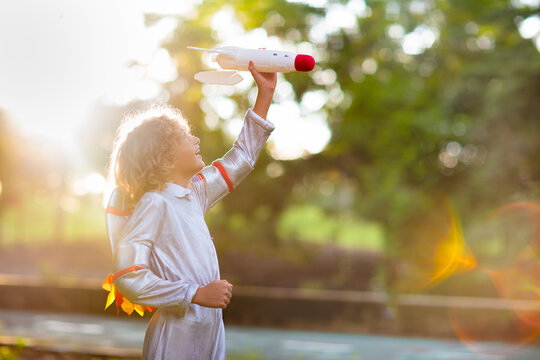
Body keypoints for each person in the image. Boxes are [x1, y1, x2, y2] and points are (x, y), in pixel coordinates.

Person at [105, 61, 276, 359]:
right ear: (164, 155)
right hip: (176, 335)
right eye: (186, 137)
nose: (196, 140)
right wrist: (194, 294)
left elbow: (242, 159)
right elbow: (127, 275)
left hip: (210, 328)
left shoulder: (194, 193)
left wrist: (266, 93)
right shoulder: (154, 203)